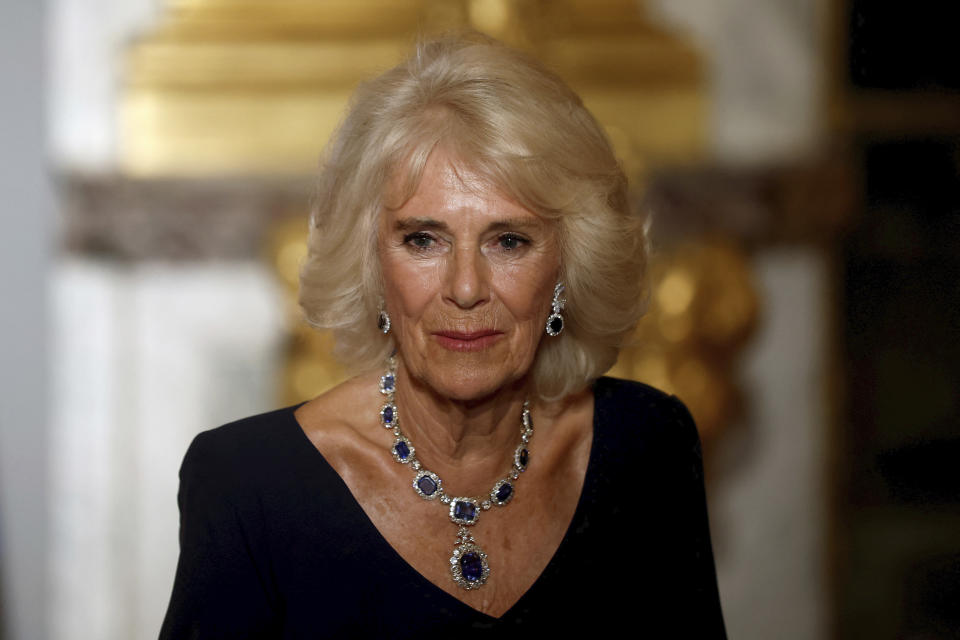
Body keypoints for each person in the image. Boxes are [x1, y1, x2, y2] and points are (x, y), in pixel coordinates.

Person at [160, 33, 726, 638]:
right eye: (422, 240)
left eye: (509, 240)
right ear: (373, 265)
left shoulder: (648, 448)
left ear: (566, 268)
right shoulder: (249, 487)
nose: (464, 288)